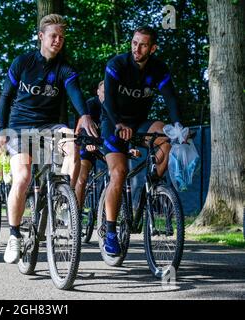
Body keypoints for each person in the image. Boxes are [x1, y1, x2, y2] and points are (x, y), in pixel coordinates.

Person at [0, 14, 98, 264]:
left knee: (73, 147)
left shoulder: (65, 68)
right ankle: (14, 235)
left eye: (62, 37)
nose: (58, 41)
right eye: (53, 36)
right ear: (41, 36)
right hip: (20, 127)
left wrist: (84, 115)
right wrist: (0, 130)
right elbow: (6, 97)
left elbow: (75, 92)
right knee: (22, 177)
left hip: (51, 125)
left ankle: (63, 202)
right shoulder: (22, 62)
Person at [101, 26, 182, 256]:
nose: (137, 48)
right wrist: (118, 124)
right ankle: (110, 232)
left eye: (143, 45)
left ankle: (152, 184)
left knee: (167, 137)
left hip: (139, 123)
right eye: (135, 43)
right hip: (113, 122)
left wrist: (180, 129)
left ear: (152, 48)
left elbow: (171, 99)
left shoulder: (158, 69)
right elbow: (107, 99)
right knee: (119, 173)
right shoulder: (117, 64)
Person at [75, 80, 104, 209]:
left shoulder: (115, 106)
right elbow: (81, 127)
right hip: (87, 143)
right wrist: (87, 143)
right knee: (82, 177)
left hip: (104, 145)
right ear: (98, 92)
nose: (106, 95)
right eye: (103, 92)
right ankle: (77, 213)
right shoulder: (91, 104)